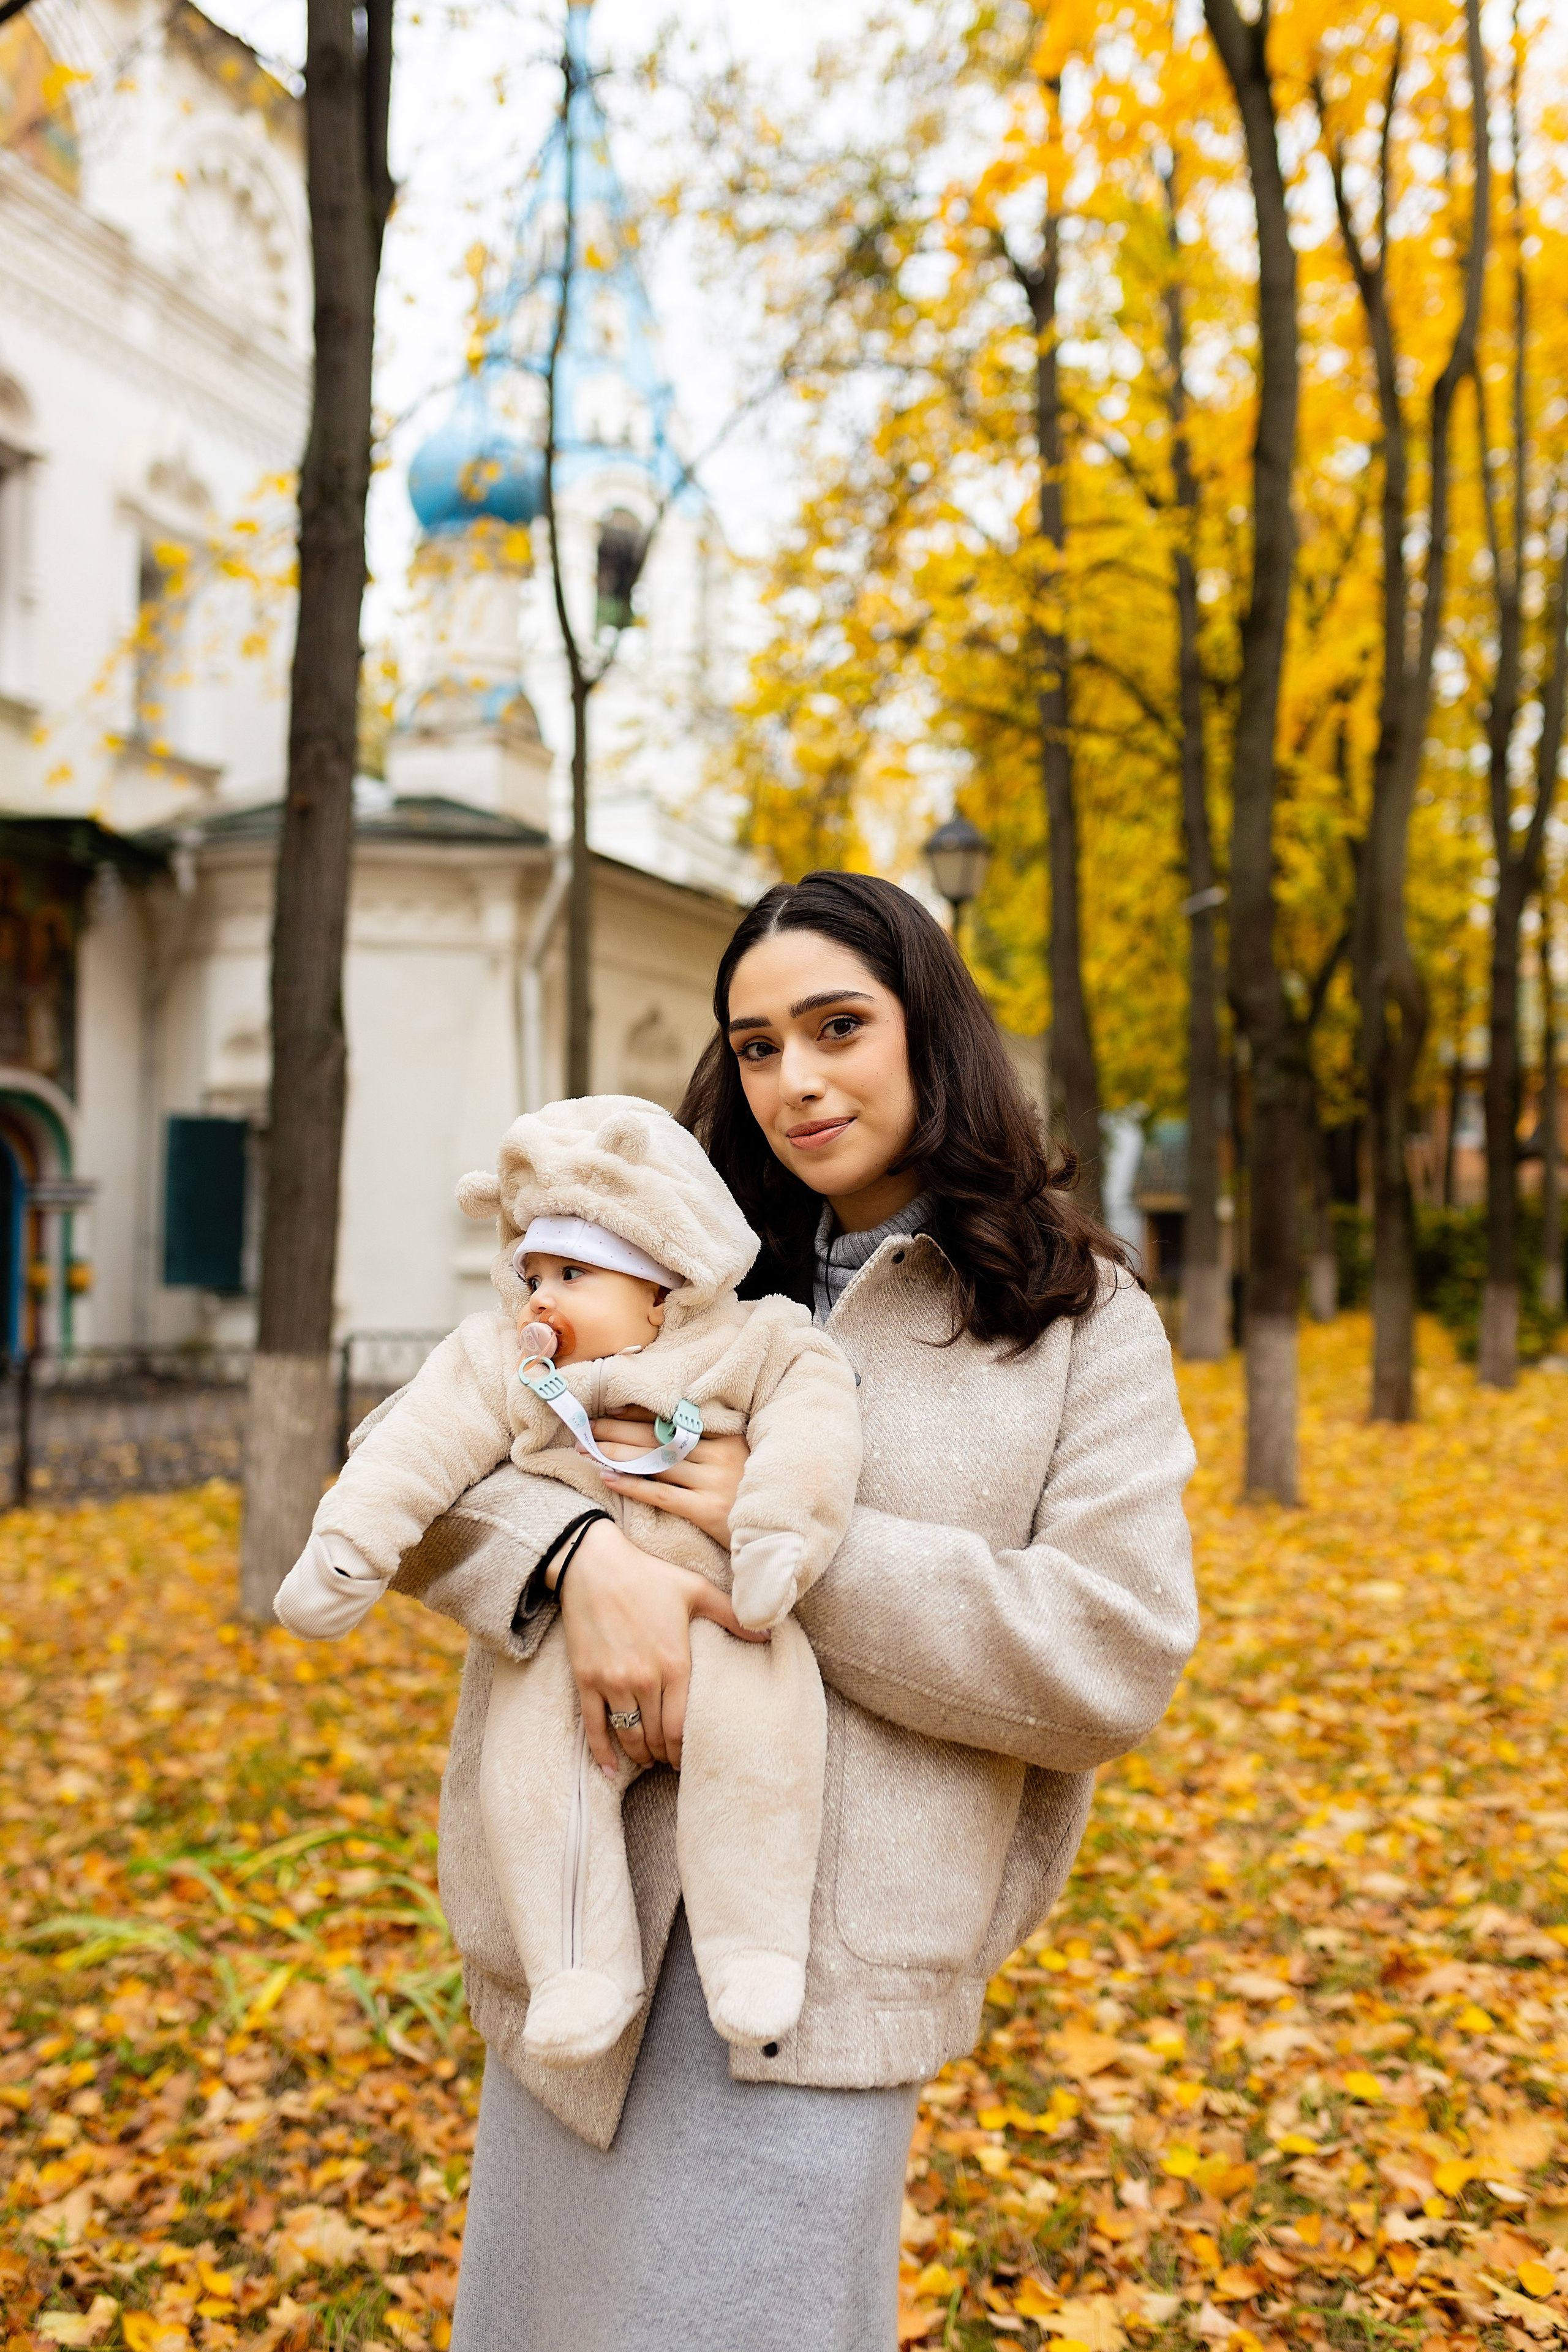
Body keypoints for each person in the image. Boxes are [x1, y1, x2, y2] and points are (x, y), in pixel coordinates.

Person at [391, 870, 1199, 2352]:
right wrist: (590, 1562)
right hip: (585, 1916)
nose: (795, 1081)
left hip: (825, 1963)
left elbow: (1110, 1652)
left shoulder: (1072, 1317)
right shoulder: (659, 1260)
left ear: (929, 1032)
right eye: (756, 1045)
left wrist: (797, 1551)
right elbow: (427, 1473)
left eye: (837, 1026)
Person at [271, 1095, 860, 2068]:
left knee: (762, 1754)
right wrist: (351, 1546)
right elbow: (413, 1448)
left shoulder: (754, 1343)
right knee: (533, 1780)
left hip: (732, 1621)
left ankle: (754, 1950)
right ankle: (578, 1968)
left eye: (574, 1274)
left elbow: (815, 1431)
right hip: (557, 1647)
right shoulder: (501, 1362)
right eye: (532, 1273)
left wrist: (776, 1536)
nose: (539, 1298)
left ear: (663, 1289)